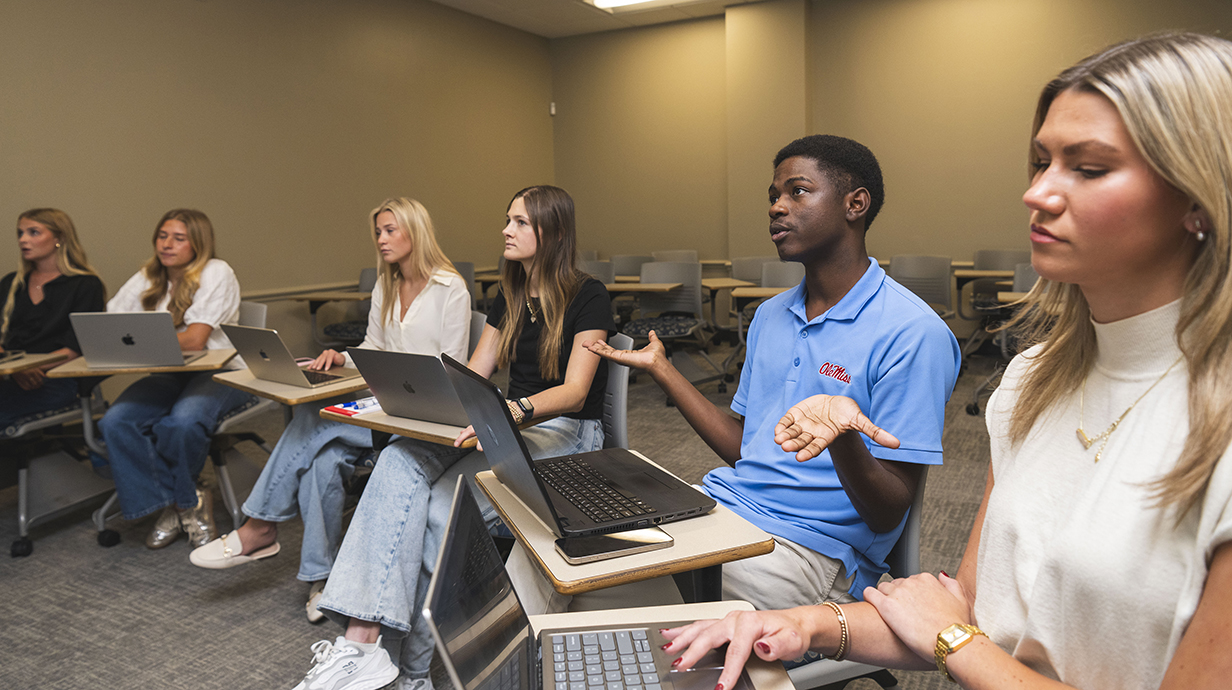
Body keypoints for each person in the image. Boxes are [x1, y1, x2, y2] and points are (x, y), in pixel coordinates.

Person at [663, 32, 1232, 690]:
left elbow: (952, 628)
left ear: (1198, 196)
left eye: (1089, 167)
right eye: (1040, 162)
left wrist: (951, 639)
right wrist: (804, 625)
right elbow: (967, 606)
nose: (1038, 193)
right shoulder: (1031, 382)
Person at [587, 135, 960, 612]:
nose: (776, 208)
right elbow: (749, 448)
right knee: (574, 555)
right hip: (727, 510)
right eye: (773, 197)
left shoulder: (912, 332)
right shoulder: (769, 317)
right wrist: (664, 370)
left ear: (855, 204)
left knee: (614, 597)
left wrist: (842, 437)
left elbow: (889, 511)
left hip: (812, 552)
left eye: (797, 192)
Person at [289, 185, 614, 690]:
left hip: (563, 431)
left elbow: (574, 392)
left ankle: (410, 676)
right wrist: (427, 397)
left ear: (550, 232)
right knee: (397, 459)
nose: (506, 230)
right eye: (507, 220)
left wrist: (514, 409)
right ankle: (362, 641)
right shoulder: (512, 295)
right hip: (506, 423)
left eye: (520, 222)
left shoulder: (588, 294)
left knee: (441, 509)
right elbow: (471, 371)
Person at [188, 198, 472, 624]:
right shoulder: (386, 285)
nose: (381, 239)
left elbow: (456, 367)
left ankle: (259, 526)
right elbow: (376, 348)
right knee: (322, 462)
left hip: (424, 413)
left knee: (311, 420)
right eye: (377, 231)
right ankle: (321, 580)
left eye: (390, 230)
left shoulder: (452, 288)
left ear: (416, 231)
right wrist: (343, 357)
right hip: (383, 402)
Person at [95, 209, 253, 550]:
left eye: (178, 238)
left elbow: (195, 340)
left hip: (222, 372)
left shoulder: (216, 271)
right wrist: (138, 340)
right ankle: (182, 498)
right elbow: (109, 327)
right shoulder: (148, 276)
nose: (167, 245)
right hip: (170, 372)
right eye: (162, 236)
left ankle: (181, 504)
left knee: (181, 422)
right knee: (115, 422)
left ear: (197, 243)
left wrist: (136, 342)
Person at [1, 209, 105, 430]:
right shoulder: (11, 283)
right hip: (8, 376)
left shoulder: (85, 285)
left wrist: (30, 367)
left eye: (33, 232)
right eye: (20, 233)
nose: (23, 240)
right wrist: (16, 369)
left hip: (54, 379)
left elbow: (75, 348)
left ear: (59, 238)